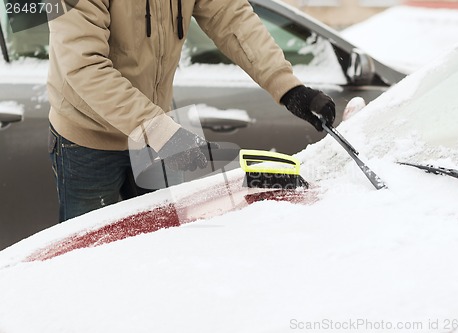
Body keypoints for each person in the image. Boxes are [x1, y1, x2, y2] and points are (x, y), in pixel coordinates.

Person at [47, 0, 340, 222]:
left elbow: (231, 17)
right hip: (88, 141)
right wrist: (164, 134)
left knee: (168, 251)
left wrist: (288, 87)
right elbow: (84, 66)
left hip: (156, 134)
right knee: (87, 260)